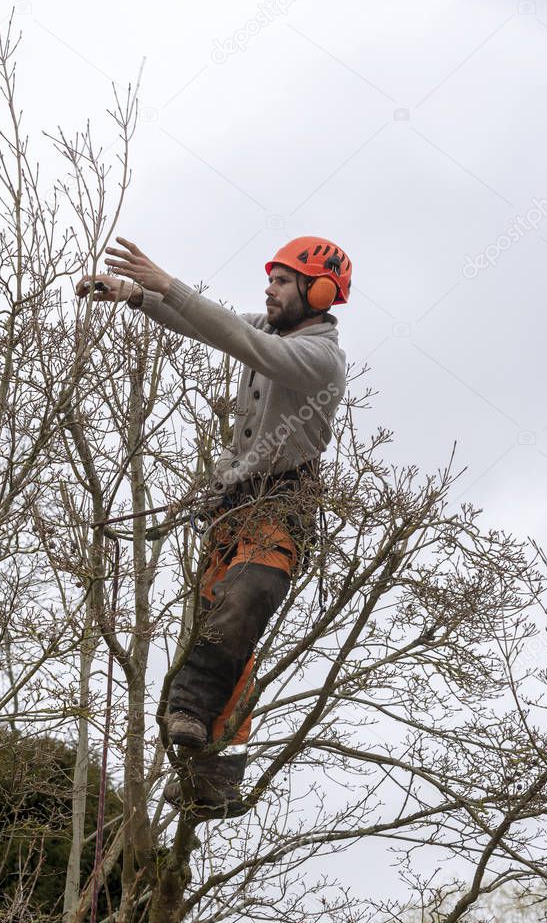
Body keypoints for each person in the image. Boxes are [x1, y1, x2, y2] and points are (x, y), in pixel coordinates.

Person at [76, 235, 350, 818]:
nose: (269, 289)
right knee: (229, 639)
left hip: (281, 506)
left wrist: (167, 283)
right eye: (270, 279)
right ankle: (212, 780)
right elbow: (211, 324)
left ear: (319, 291)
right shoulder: (271, 331)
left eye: (282, 281)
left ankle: (190, 706)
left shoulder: (319, 357)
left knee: (245, 603)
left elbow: (240, 340)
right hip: (230, 509)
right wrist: (134, 295)